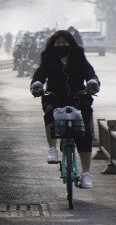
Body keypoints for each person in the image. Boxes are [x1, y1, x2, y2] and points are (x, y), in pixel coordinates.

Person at [30, 30, 101, 189]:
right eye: (58, 43)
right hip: (55, 96)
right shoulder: (48, 57)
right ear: (52, 44)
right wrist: (37, 85)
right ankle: (52, 149)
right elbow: (40, 74)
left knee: (84, 134)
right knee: (50, 113)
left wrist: (92, 83)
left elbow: (89, 72)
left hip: (79, 97)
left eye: (64, 42)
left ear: (71, 43)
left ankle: (86, 174)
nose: (61, 45)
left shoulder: (79, 55)